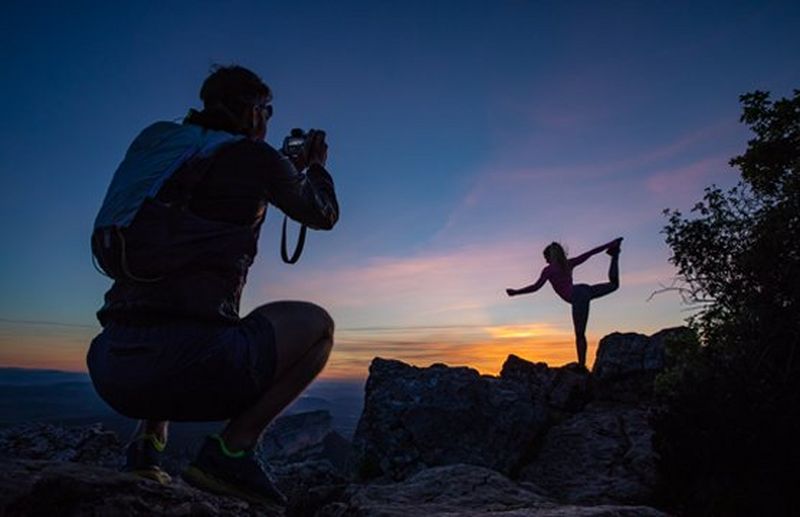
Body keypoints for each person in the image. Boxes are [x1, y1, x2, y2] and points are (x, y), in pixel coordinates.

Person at [86, 65, 339, 506]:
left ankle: (146, 446)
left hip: (109, 367)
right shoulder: (255, 159)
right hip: (188, 368)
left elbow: (201, 190)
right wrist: (314, 168)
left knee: (170, 304)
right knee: (318, 327)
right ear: (253, 111)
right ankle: (231, 453)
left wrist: (279, 168)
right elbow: (323, 214)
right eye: (267, 111)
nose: (268, 119)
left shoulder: (159, 143)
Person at [506, 238, 622, 369]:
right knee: (614, 285)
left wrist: (516, 292)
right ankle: (615, 255)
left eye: (546, 258)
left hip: (577, 296)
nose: (545, 261)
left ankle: (581, 366)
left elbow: (535, 287)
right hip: (584, 290)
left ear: (550, 256)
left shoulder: (548, 270)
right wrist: (610, 244)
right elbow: (590, 253)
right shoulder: (568, 264)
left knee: (580, 334)